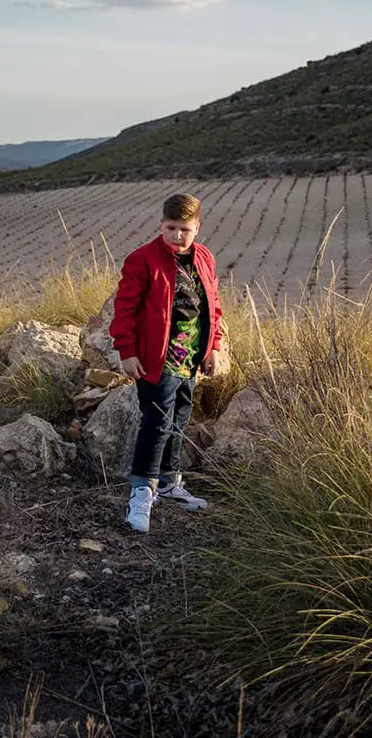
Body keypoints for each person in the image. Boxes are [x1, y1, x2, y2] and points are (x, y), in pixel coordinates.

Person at [108, 192, 225, 533]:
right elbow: (125, 309)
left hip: (190, 360)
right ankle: (141, 494)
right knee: (157, 424)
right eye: (171, 227)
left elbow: (213, 304)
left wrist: (213, 347)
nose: (177, 235)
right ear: (161, 224)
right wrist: (126, 351)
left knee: (179, 422)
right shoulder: (141, 260)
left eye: (185, 229)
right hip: (155, 361)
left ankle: (171, 483)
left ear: (197, 227)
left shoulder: (204, 258)